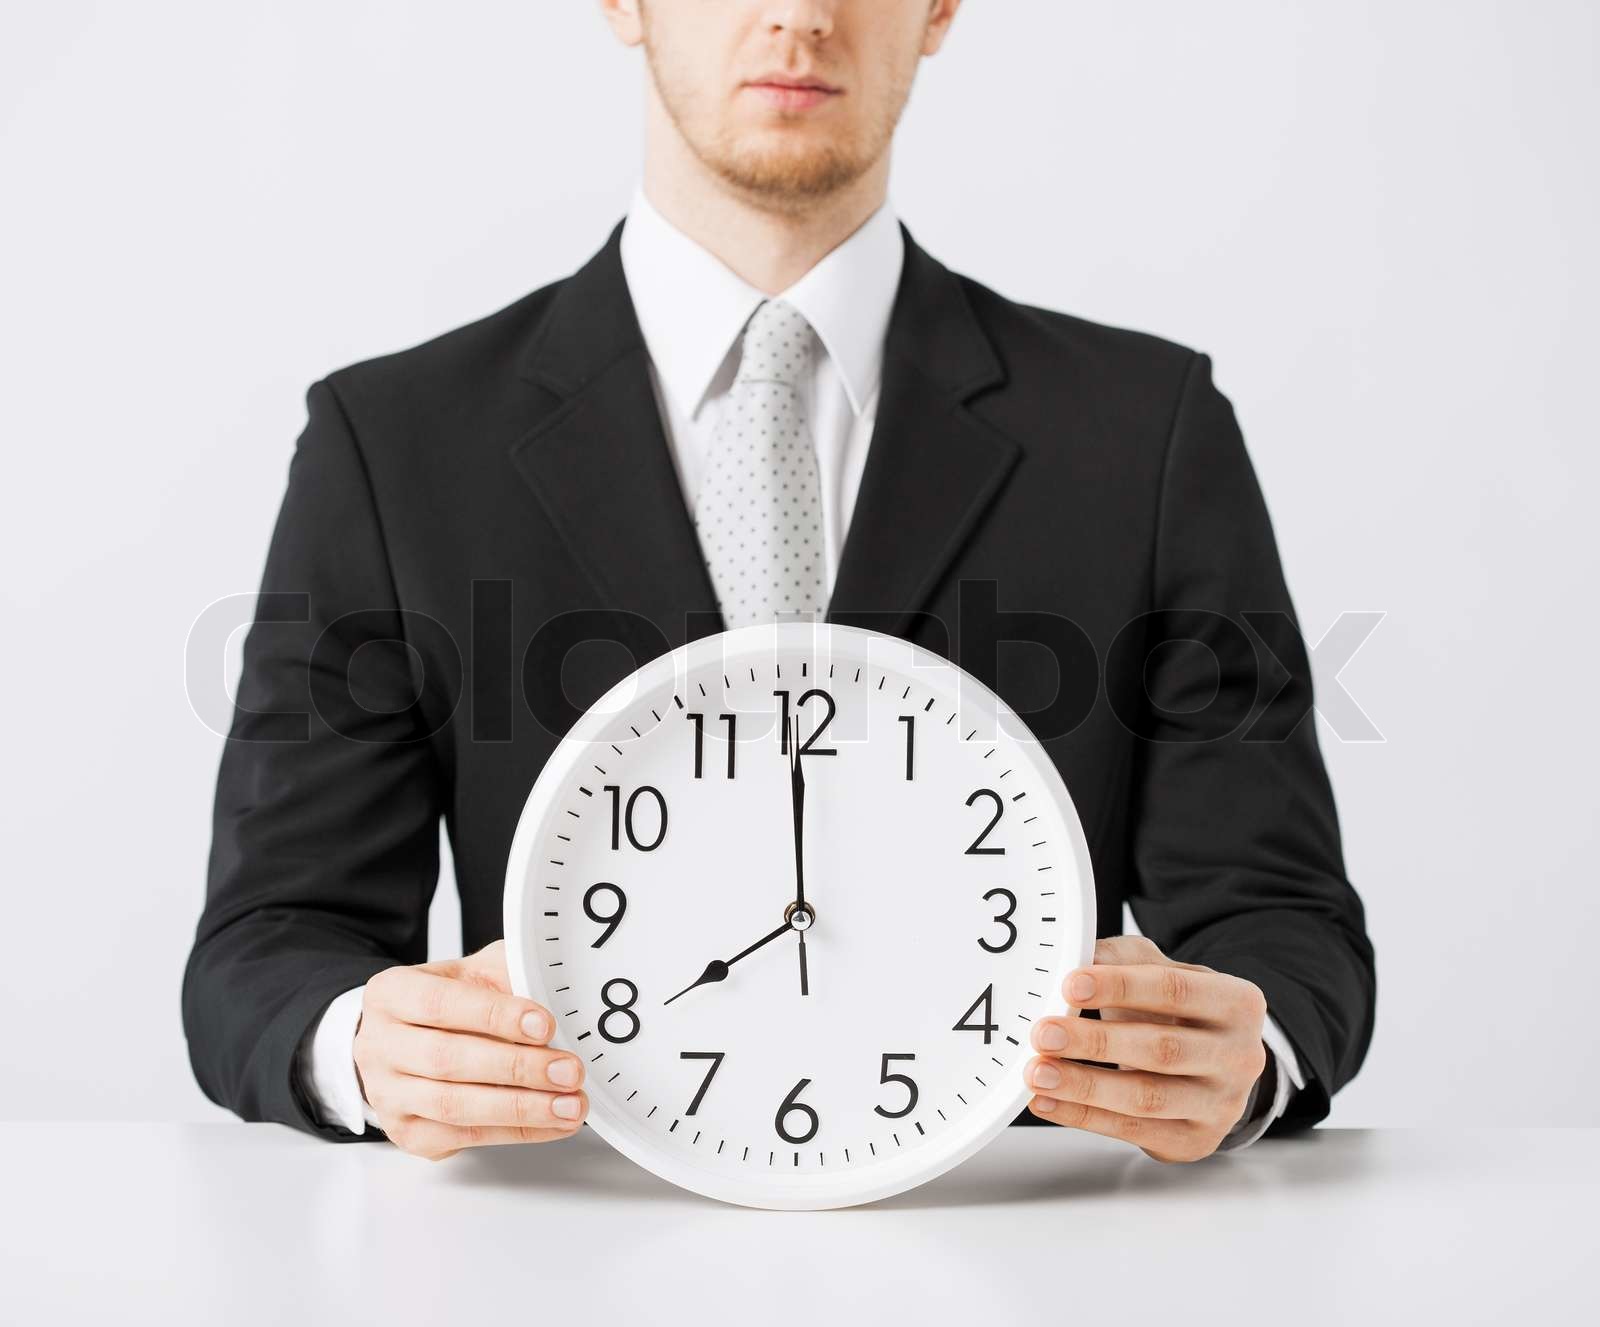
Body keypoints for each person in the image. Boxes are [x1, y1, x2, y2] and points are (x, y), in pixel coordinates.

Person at [185, 0, 1374, 1166]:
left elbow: (1279, 918)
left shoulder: (1141, 433)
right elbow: (273, 939)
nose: (799, 15)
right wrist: (370, 1047)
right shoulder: (395, 445)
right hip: (567, 1224)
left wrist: (1241, 1055)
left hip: (1010, 1229)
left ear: (939, 10)